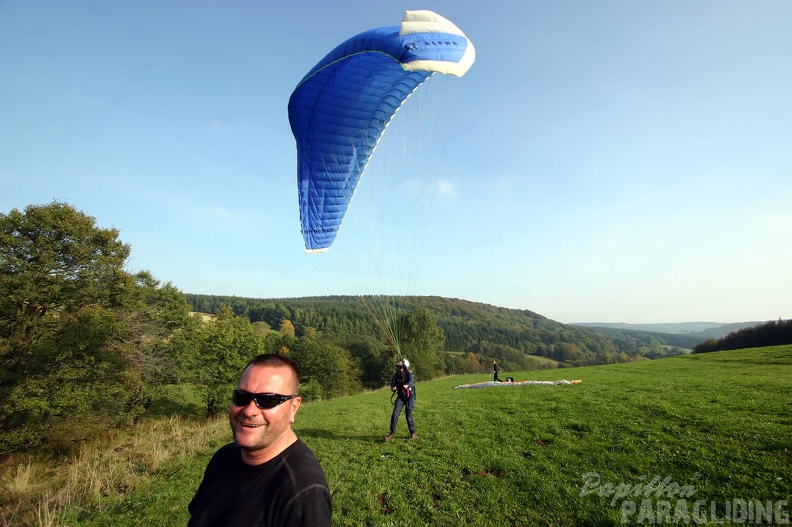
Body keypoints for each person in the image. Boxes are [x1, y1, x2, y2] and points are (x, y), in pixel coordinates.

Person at [188, 354, 332, 527]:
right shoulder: (224, 456)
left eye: (268, 400)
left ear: (293, 408)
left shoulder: (301, 491)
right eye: (242, 397)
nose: (249, 411)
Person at [384, 358, 416, 442]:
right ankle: (391, 434)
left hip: (409, 396)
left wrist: (408, 385)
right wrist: (393, 388)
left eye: (402, 367)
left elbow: (412, 381)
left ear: (405, 367)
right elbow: (393, 383)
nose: (400, 369)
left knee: (408, 417)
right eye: (399, 367)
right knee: (395, 415)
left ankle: (413, 433)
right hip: (401, 397)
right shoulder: (396, 375)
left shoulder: (409, 373)